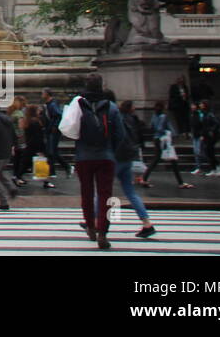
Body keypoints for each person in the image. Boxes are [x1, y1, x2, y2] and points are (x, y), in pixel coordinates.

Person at [67, 74, 125, 250]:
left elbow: (70, 129)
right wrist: (110, 151)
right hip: (105, 157)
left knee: (86, 193)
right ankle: (103, 233)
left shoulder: (77, 105)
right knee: (105, 195)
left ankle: (90, 227)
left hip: (83, 156)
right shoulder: (112, 107)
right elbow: (120, 135)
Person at [116, 100, 157, 238]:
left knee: (101, 189)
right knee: (130, 192)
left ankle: (95, 221)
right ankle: (147, 223)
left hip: (117, 158)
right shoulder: (133, 119)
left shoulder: (118, 118)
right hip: (128, 158)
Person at [143, 100, 190, 189]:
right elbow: (162, 128)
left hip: (157, 139)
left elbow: (151, 127)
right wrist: (169, 133)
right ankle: (181, 182)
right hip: (164, 140)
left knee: (156, 159)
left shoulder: (154, 116)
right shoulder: (163, 116)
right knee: (172, 160)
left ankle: (145, 178)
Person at [20, 105, 55, 189]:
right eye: (37, 110)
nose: (39, 111)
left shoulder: (28, 121)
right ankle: (46, 181)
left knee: (26, 162)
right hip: (37, 145)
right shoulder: (35, 122)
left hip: (30, 145)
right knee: (45, 162)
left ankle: (17, 176)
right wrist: (40, 149)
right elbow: (38, 135)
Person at [41, 89, 70, 178]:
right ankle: (55, 170)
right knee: (52, 151)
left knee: (51, 151)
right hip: (50, 130)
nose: (42, 95)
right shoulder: (48, 104)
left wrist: (54, 126)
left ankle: (57, 170)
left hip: (53, 131)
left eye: (43, 93)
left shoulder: (53, 104)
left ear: (47, 94)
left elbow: (58, 115)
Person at [192, 100, 220, 177]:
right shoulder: (203, 113)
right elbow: (203, 126)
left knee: (209, 152)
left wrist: (211, 131)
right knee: (208, 152)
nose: (200, 105)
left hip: (211, 136)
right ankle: (214, 169)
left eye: (201, 104)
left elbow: (215, 124)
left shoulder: (209, 114)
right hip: (206, 136)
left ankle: (219, 167)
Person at [168, 76, 192, 141]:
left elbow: (187, 95)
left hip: (184, 105)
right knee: (179, 119)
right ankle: (181, 132)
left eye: (183, 81)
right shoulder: (174, 87)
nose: (181, 82)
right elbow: (172, 96)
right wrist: (180, 96)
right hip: (177, 106)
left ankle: (187, 132)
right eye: (180, 81)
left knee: (186, 119)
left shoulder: (185, 87)